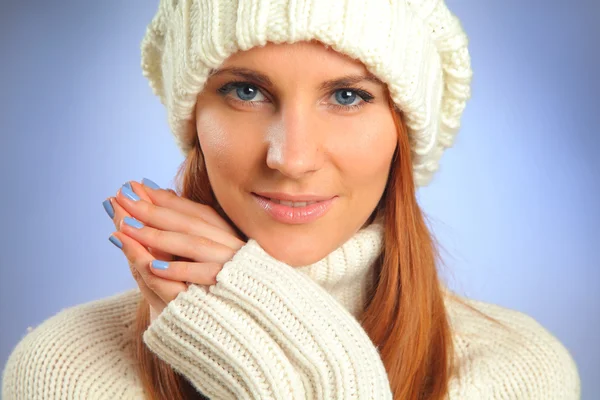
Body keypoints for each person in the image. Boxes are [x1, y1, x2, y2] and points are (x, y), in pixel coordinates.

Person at [2, 0, 581, 399]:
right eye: (246, 91)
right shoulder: (70, 371)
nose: (291, 157)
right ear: (194, 119)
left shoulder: (517, 372)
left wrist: (314, 359)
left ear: (404, 132)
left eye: (349, 96)